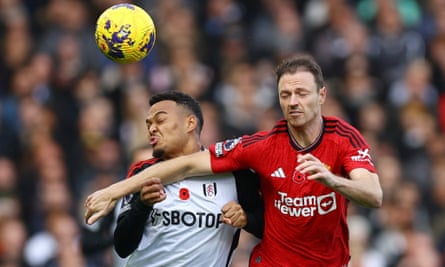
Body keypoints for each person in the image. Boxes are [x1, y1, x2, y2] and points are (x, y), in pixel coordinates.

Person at [85, 54, 383, 266]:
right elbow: (186, 164)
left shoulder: (344, 138)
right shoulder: (261, 146)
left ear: (321, 95)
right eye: (285, 94)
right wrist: (114, 192)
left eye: (301, 93)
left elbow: (373, 195)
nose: (293, 102)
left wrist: (331, 180)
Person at [111, 91, 263, 267]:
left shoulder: (234, 173)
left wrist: (245, 219)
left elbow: (266, 228)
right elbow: (122, 246)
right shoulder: (144, 171)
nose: (152, 129)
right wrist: (142, 205)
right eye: (149, 124)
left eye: (160, 121)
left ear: (190, 123)